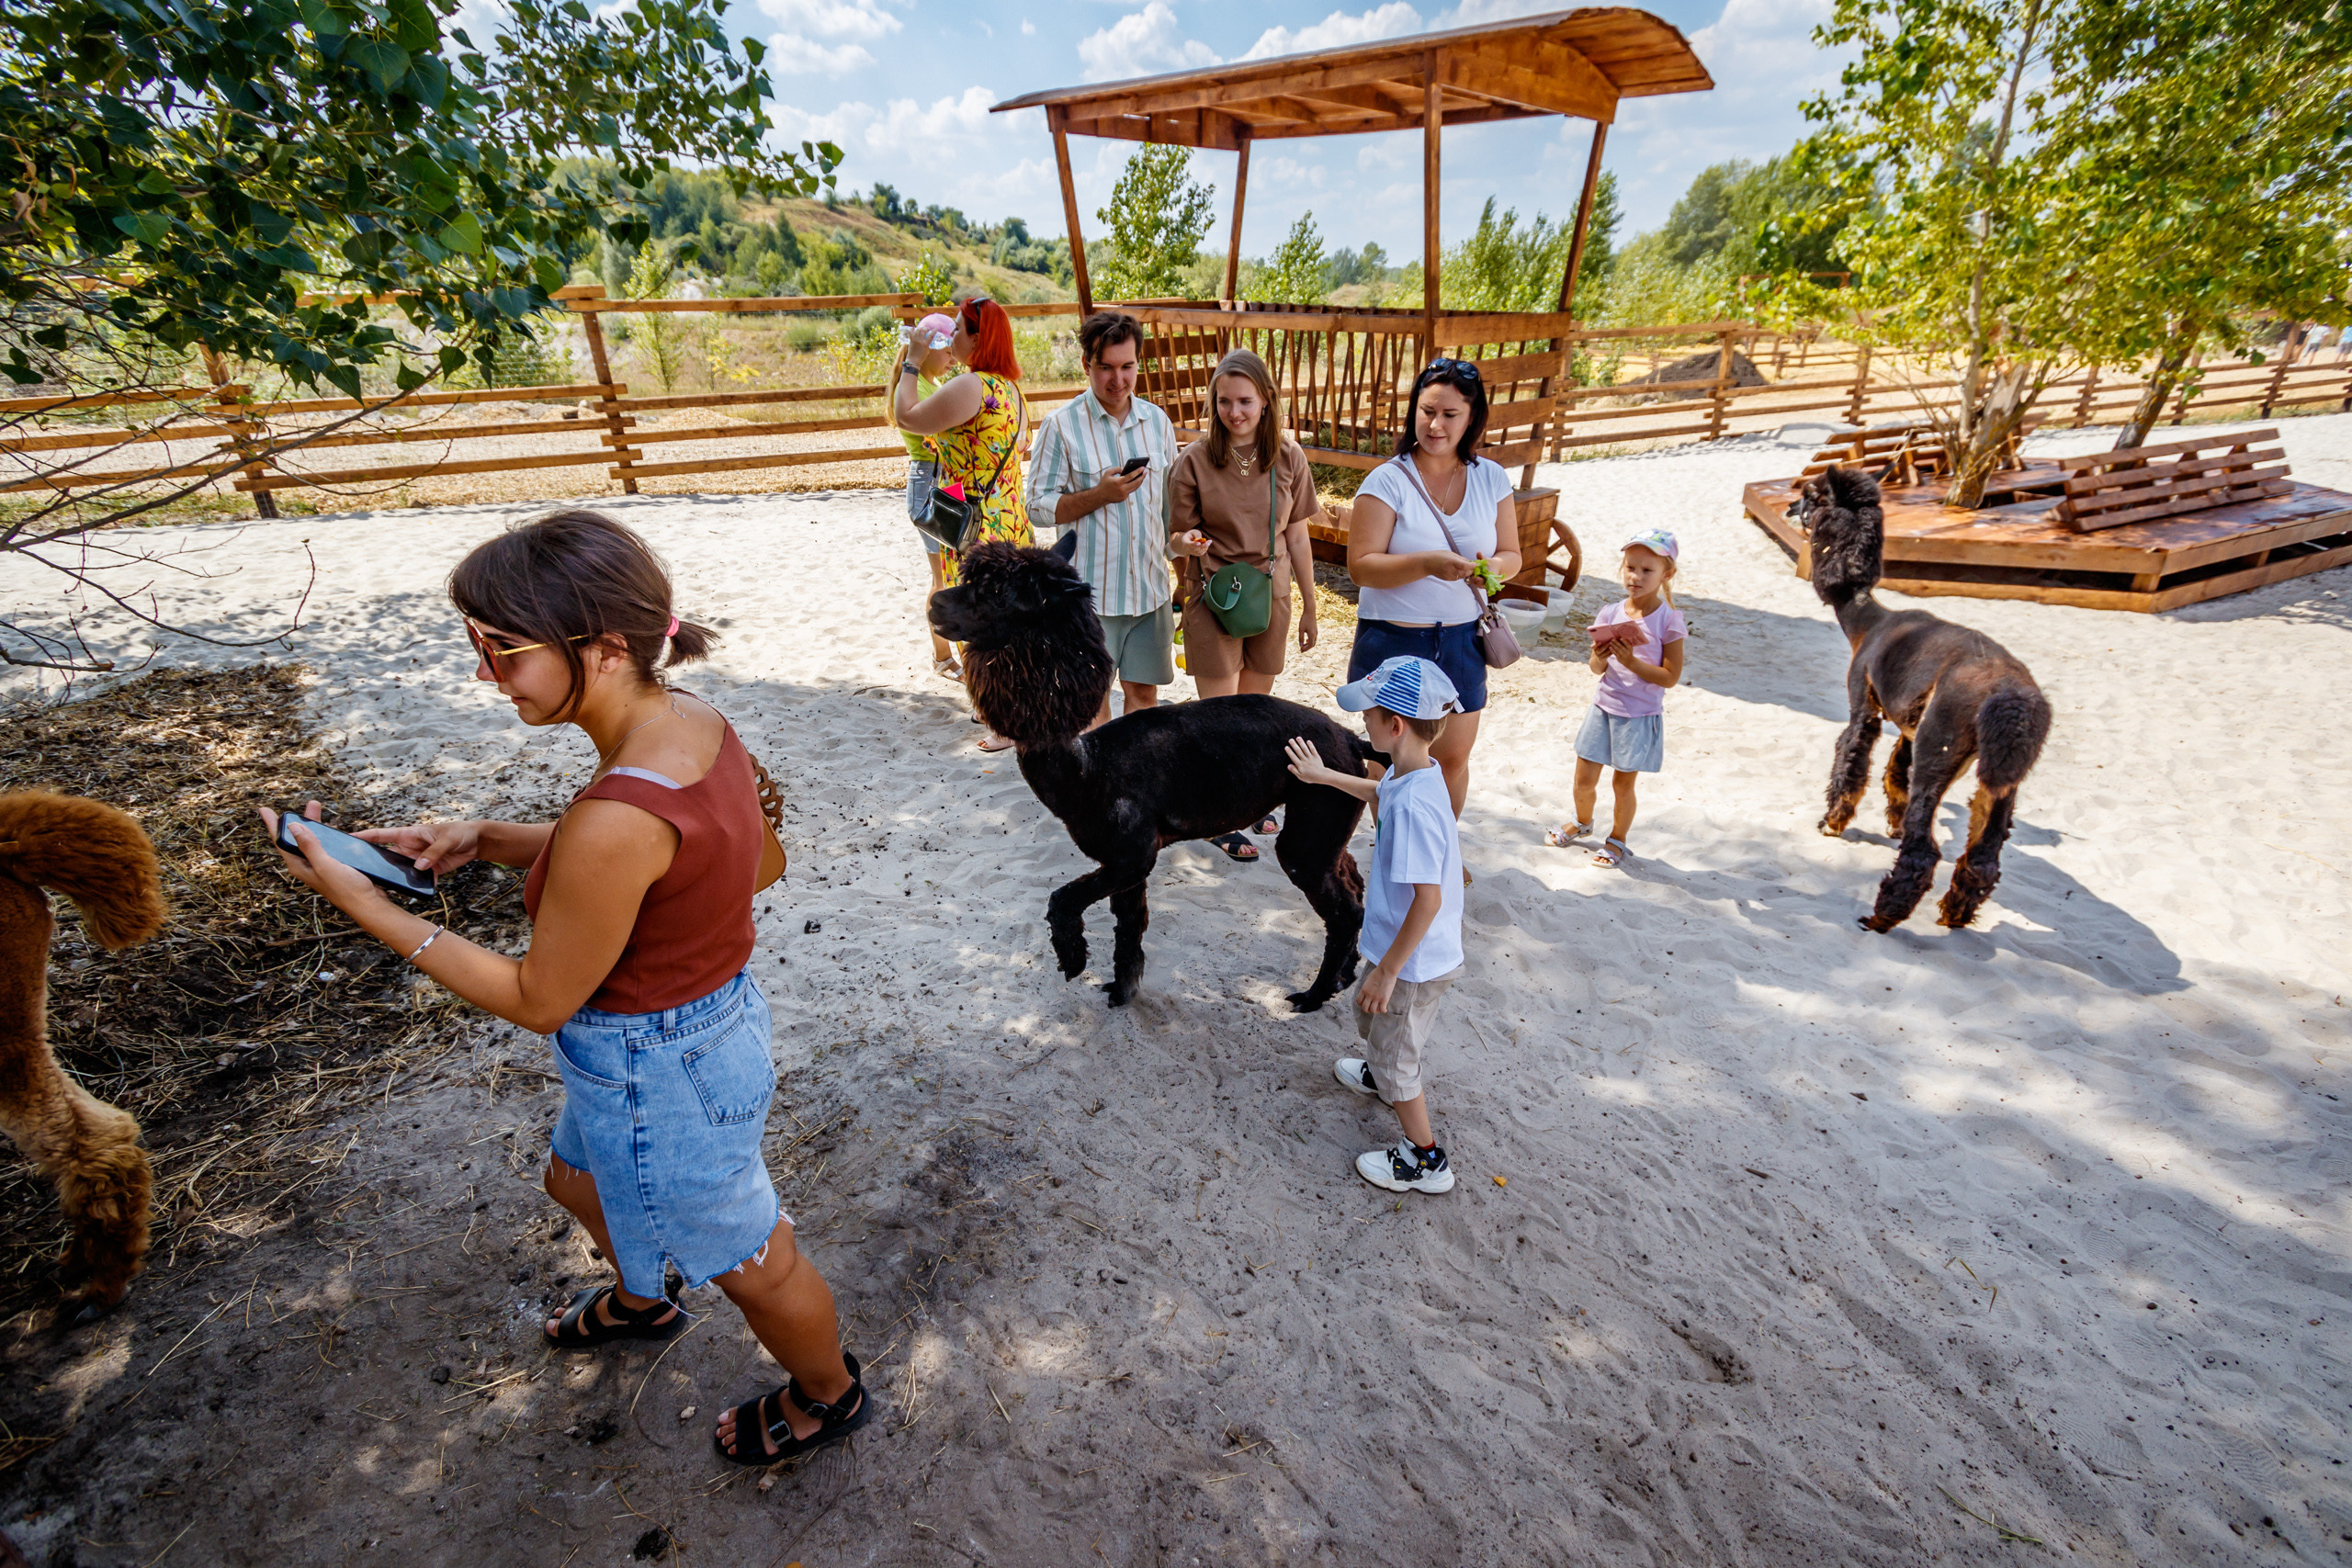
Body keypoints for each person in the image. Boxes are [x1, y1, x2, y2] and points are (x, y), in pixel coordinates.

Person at [257, 511, 867, 1470]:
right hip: (707, 1029)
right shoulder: (695, 723)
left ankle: (829, 1395)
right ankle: (642, 1295)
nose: (483, 673)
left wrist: (363, 904)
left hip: (655, 1065)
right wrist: (488, 837)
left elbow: (538, 997)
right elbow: (737, 862)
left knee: (756, 1260)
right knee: (572, 1176)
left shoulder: (615, 816)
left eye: (501, 649)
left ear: (606, 647)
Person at [1283, 655, 1465, 1196]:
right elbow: (1379, 793)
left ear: (1396, 726)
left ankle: (1425, 1159)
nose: (1362, 724)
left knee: (1398, 1055)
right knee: (1374, 1026)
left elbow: (1427, 902)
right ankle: (1379, 1072)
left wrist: (1388, 971)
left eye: (1369, 715)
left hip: (1411, 964)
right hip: (1400, 952)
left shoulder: (1413, 809)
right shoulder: (1418, 775)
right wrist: (1322, 776)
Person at [1344, 359, 1520, 822]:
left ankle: (1438, 852)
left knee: (1453, 760)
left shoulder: (1492, 477)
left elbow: (1513, 554)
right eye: (1426, 411)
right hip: (1394, 639)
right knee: (1389, 762)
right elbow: (1360, 567)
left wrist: (1493, 570)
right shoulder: (1386, 480)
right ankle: (1392, 849)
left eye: (1449, 415)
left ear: (1473, 418)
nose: (1435, 425)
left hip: (1462, 639)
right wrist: (1426, 564)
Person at [1169, 348, 1325, 861]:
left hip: (1270, 597)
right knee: (1220, 717)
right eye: (1223, 401)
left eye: (1244, 401)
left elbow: (1299, 537)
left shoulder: (1288, 456)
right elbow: (1172, 540)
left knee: (1256, 714)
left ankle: (1250, 802)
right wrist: (1186, 545)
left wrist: (1309, 604)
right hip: (1213, 596)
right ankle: (1219, 816)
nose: (1234, 412)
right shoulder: (1192, 461)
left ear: (1265, 401)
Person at [1025, 310, 1179, 728]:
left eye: (1127, 366)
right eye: (1106, 368)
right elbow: (1036, 506)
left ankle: (1135, 785)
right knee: (1093, 701)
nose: (1118, 379)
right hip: (1090, 597)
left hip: (1150, 590)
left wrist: (1183, 557)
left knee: (1145, 696)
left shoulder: (1158, 422)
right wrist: (1099, 495)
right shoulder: (1060, 426)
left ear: (1138, 363)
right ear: (1086, 366)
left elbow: (1168, 508)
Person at [893, 295, 1033, 752]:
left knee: (984, 624)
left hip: (975, 527)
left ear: (978, 337)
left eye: (958, 329)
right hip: (1010, 517)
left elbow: (906, 415)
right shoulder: (1012, 390)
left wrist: (912, 362)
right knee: (1010, 622)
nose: (951, 337)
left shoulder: (972, 386)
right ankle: (1011, 710)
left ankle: (1003, 721)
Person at [1546, 528, 1686, 869]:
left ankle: (1617, 840)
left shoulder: (1669, 620)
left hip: (1638, 715)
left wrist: (1632, 662)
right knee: (1583, 779)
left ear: (1667, 574)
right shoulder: (1609, 613)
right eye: (1630, 567)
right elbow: (1596, 669)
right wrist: (1601, 654)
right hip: (1603, 706)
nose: (1636, 577)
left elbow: (1671, 677)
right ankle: (1582, 822)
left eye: (1647, 570)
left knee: (1622, 785)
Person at [887, 310, 962, 680]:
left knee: (944, 576)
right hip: (931, 481)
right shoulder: (923, 388)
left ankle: (943, 655)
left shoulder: (928, 385)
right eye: (946, 349)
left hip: (938, 481)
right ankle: (943, 657)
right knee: (942, 578)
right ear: (929, 349)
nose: (952, 356)